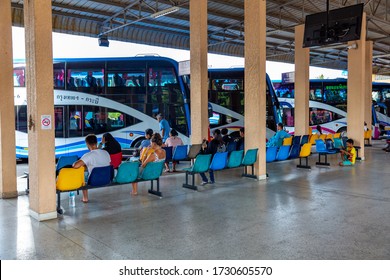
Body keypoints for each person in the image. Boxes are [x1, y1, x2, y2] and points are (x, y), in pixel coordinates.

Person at [72, 134, 111, 203]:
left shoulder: (88, 155)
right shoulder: (106, 152)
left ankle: (85, 198)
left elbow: (75, 166)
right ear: (96, 142)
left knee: (82, 176)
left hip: (94, 181)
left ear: (87, 144)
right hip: (107, 179)